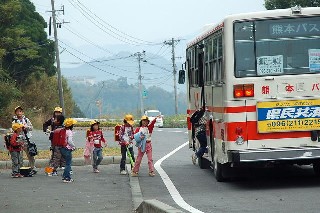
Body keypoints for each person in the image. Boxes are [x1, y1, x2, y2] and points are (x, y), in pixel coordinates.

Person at [12, 106, 36, 174]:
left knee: (30, 154)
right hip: (18, 140)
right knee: (19, 155)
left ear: (22, 112)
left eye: (20, 111)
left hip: (26, 139)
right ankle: (20, 169)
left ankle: (33, 167)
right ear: (15, 113)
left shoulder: (26, 120)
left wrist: (26, 127)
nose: (19, 113)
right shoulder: (14, 121)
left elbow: (31, 128)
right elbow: (13, 130)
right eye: (17, 111)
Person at [60, 118, 77, 183]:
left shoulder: (63, 130)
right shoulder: (69, 132)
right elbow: (69, 141)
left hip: (62, 148)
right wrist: (74, 146)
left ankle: (65, 176)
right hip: (67, 149)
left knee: (66, 162)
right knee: (68, 164)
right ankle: (67, 178)